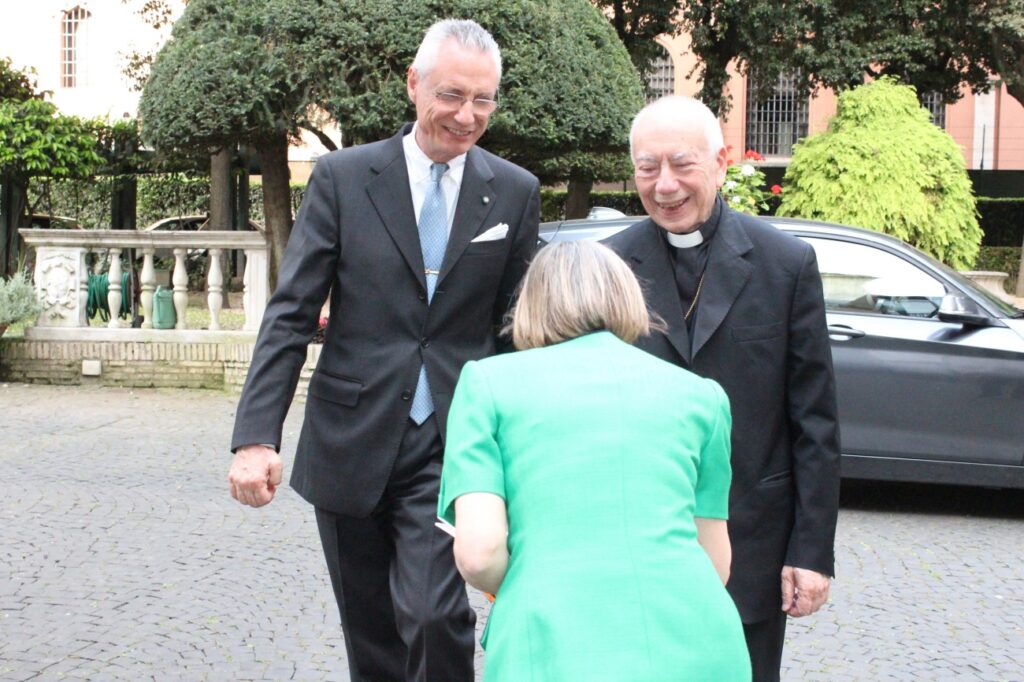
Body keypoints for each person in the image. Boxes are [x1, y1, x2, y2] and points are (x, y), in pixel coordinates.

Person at [227, 19, 540, 682]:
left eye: (484, 100)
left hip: (454, 442)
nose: (467, 115)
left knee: (435, 614)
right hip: (351, 437)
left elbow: (518, 330)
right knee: (370, 633)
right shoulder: (344, 178)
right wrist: (256, 436)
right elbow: (290, 314)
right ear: (413, 84)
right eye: (453, 95)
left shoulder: (514, 190)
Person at [438, 241, 752, 681]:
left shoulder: (488, 384)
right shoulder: (702, 395)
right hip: (694, 641)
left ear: (531, 304)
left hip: (552, 642)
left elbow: (479, 552)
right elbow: (714, 558)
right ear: (627, 297)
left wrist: (527, 583)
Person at [605, 96, 840, 682]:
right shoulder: (607, 266)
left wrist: (809, 553)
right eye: (646, 167)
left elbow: (815, 422)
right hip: (635, 545)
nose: (663, 186)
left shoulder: (785, 264)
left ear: (720, 161)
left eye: (681, 164)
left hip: (751, 542)